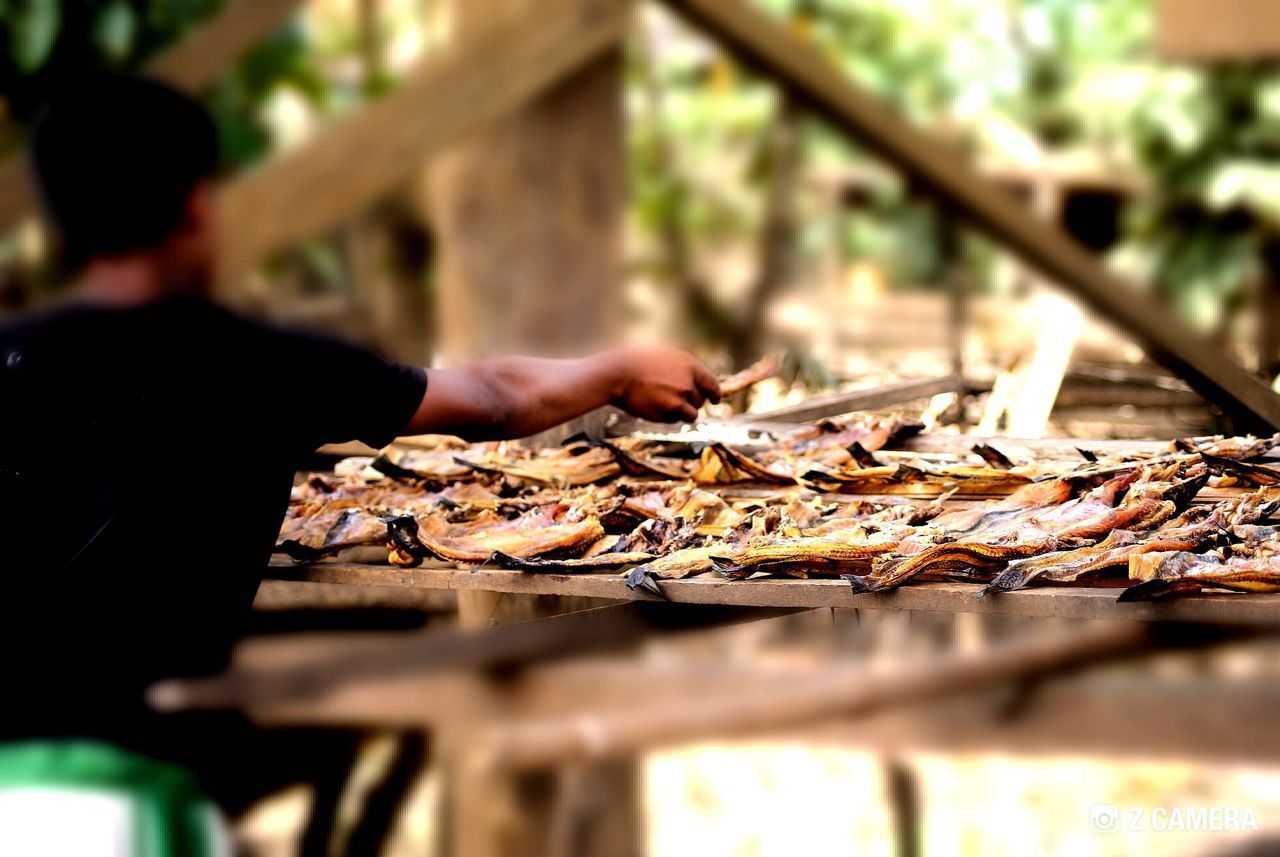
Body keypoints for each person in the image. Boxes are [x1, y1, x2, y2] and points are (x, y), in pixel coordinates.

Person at [0, 74, 720, 855]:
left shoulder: (12, 356)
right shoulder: (259, 366)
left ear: (63, 228)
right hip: (110, 805)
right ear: (199, 208)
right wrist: (618, 369)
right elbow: (493, 398)